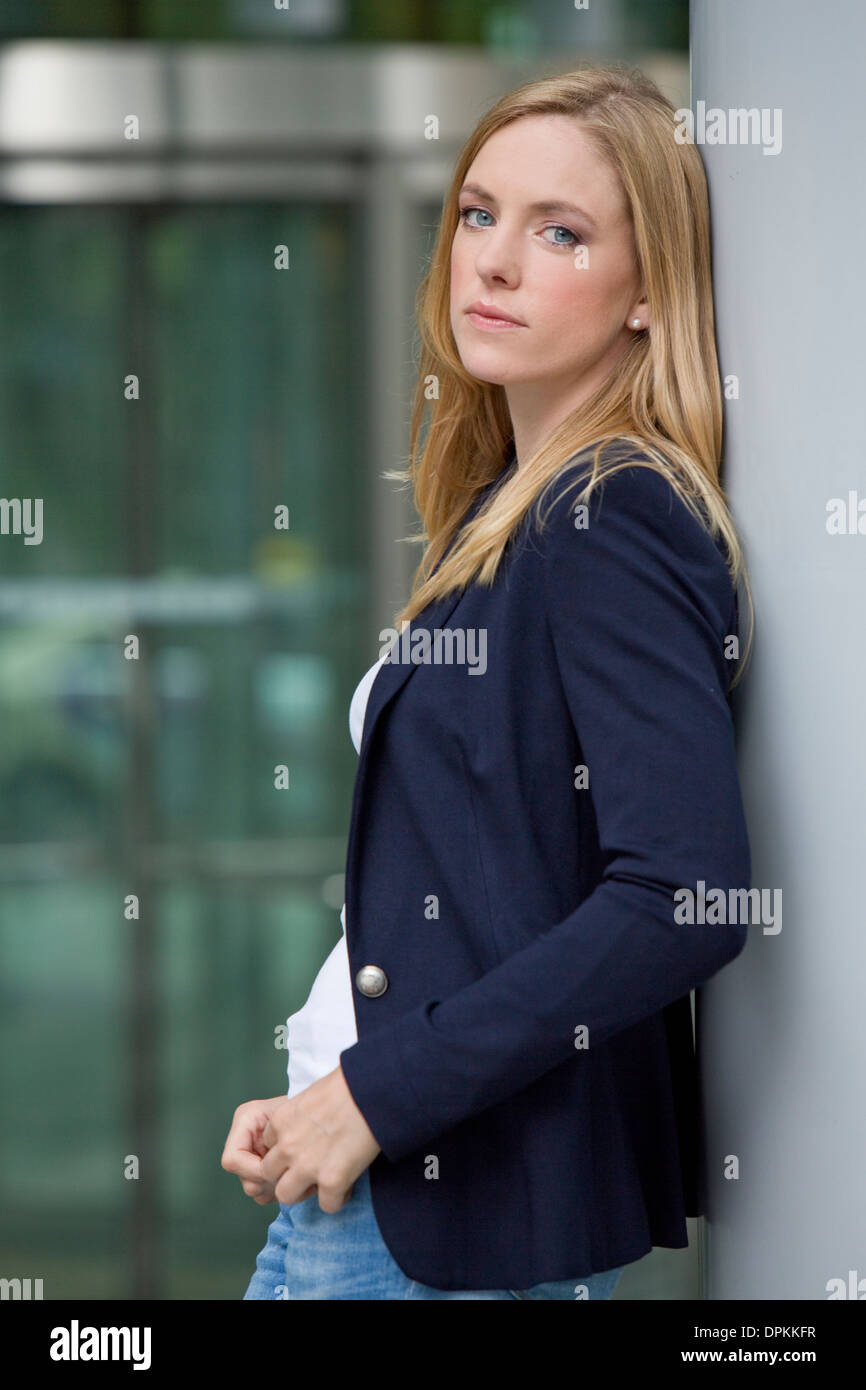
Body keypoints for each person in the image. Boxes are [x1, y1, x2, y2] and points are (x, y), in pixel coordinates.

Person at [222, 62, 754, 1301]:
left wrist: (375, 1091)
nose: (493, 262)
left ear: (645, 294)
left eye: (558, 231)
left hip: (447, 1216)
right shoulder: (504, 511)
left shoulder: (611, 514)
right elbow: (483, 884)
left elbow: (684, 891)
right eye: (477, 213)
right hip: (371, 1192)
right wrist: (325, 1086)